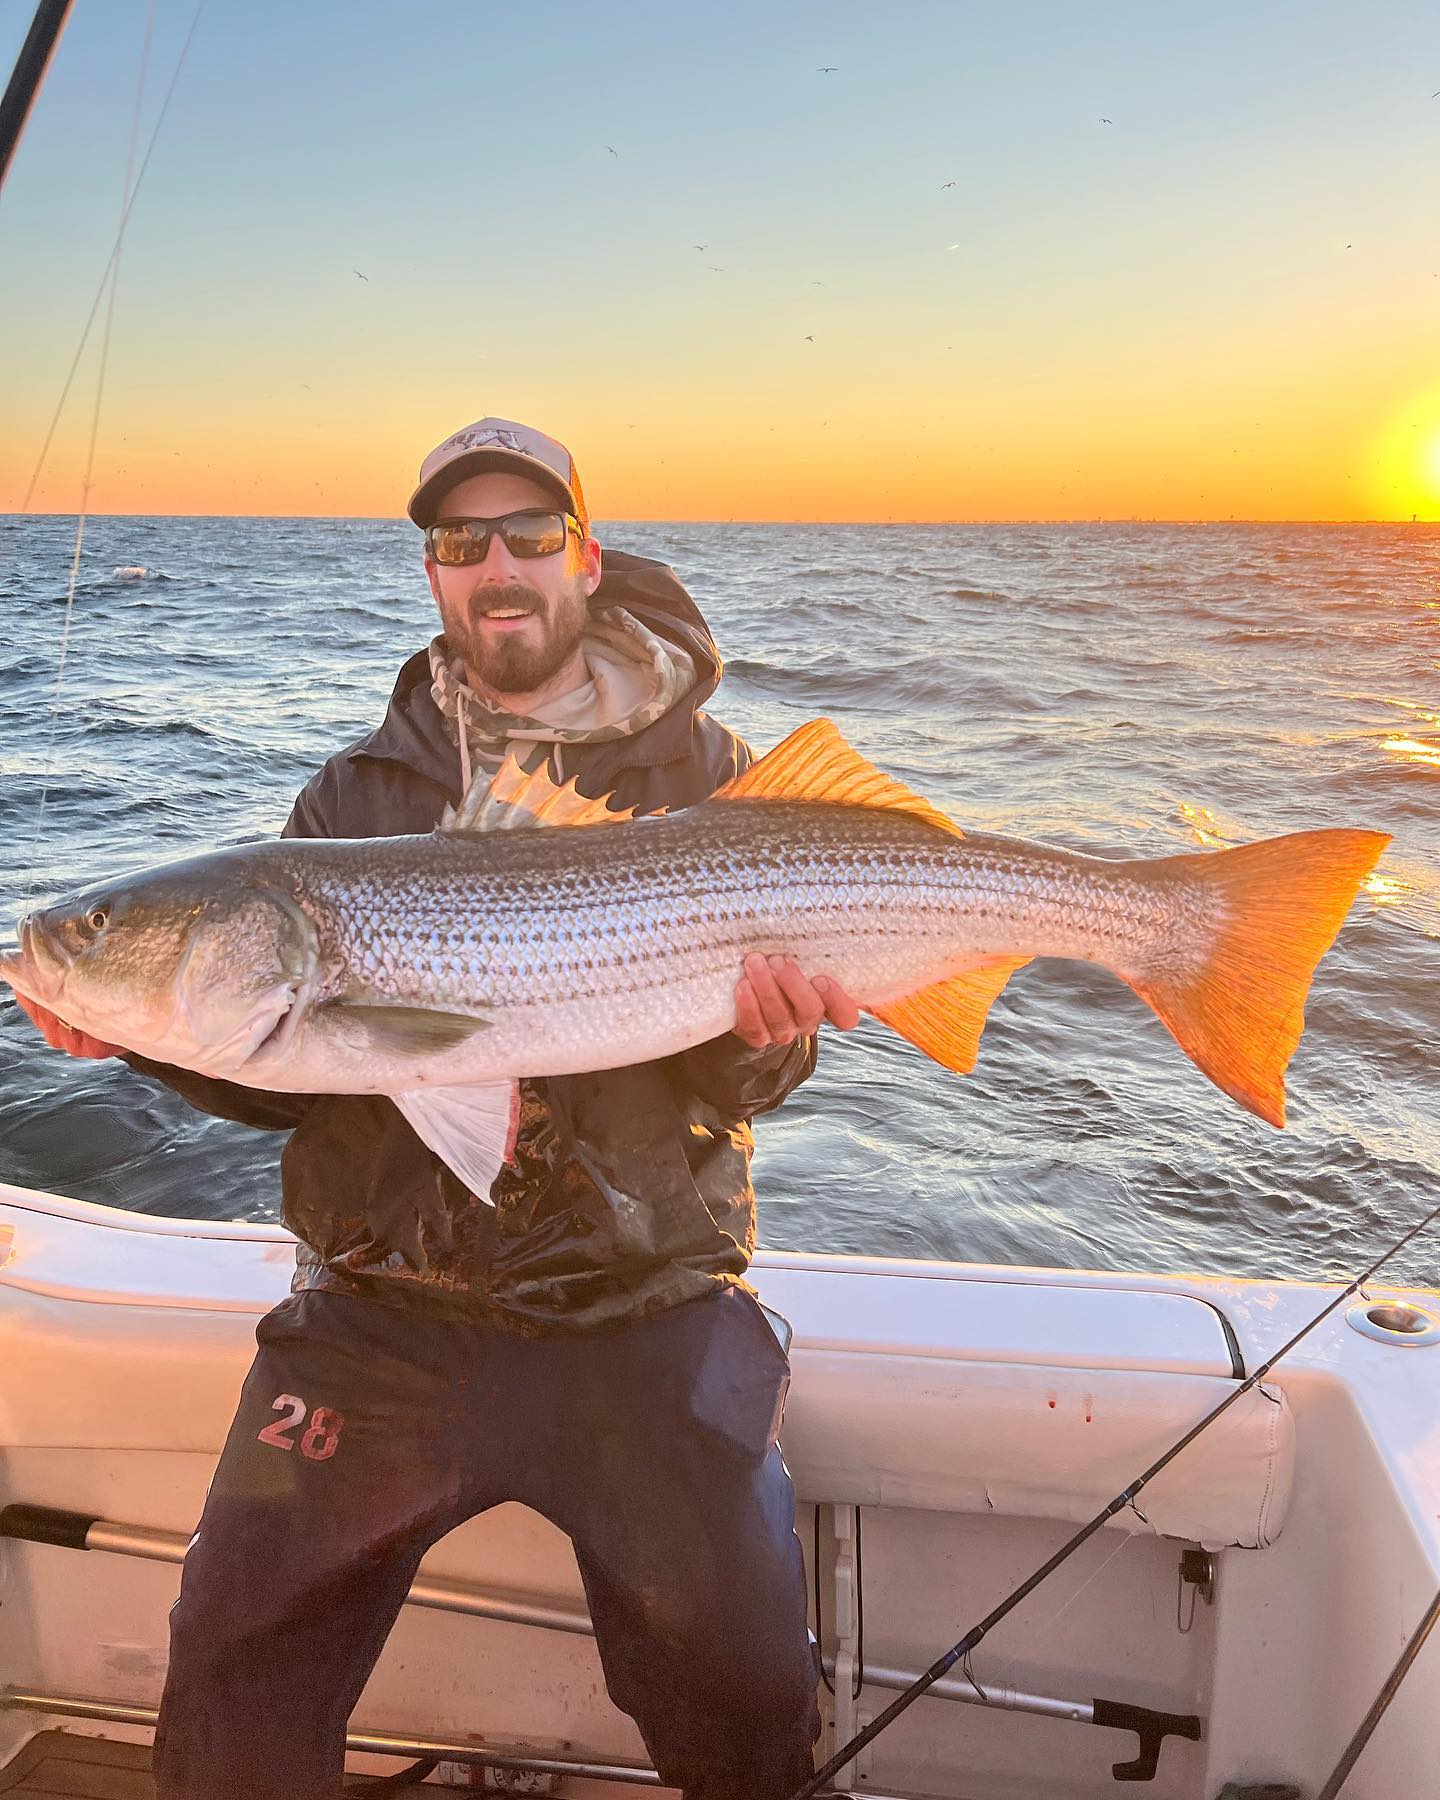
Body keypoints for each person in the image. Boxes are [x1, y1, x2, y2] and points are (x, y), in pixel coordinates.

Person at [17, 416, 861, 1800]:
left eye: (530, 534)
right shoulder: (355, 798)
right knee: (232, 1653)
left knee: (746, 1683)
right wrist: (132, 1030)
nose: (498, 565)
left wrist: (767, 1039)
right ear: (431, 577)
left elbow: (757, 1075)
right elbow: (287, 1064)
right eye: (460, 544)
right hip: (374, 1324)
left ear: (586, 556)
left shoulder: (712, 778)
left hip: (642, 1314)